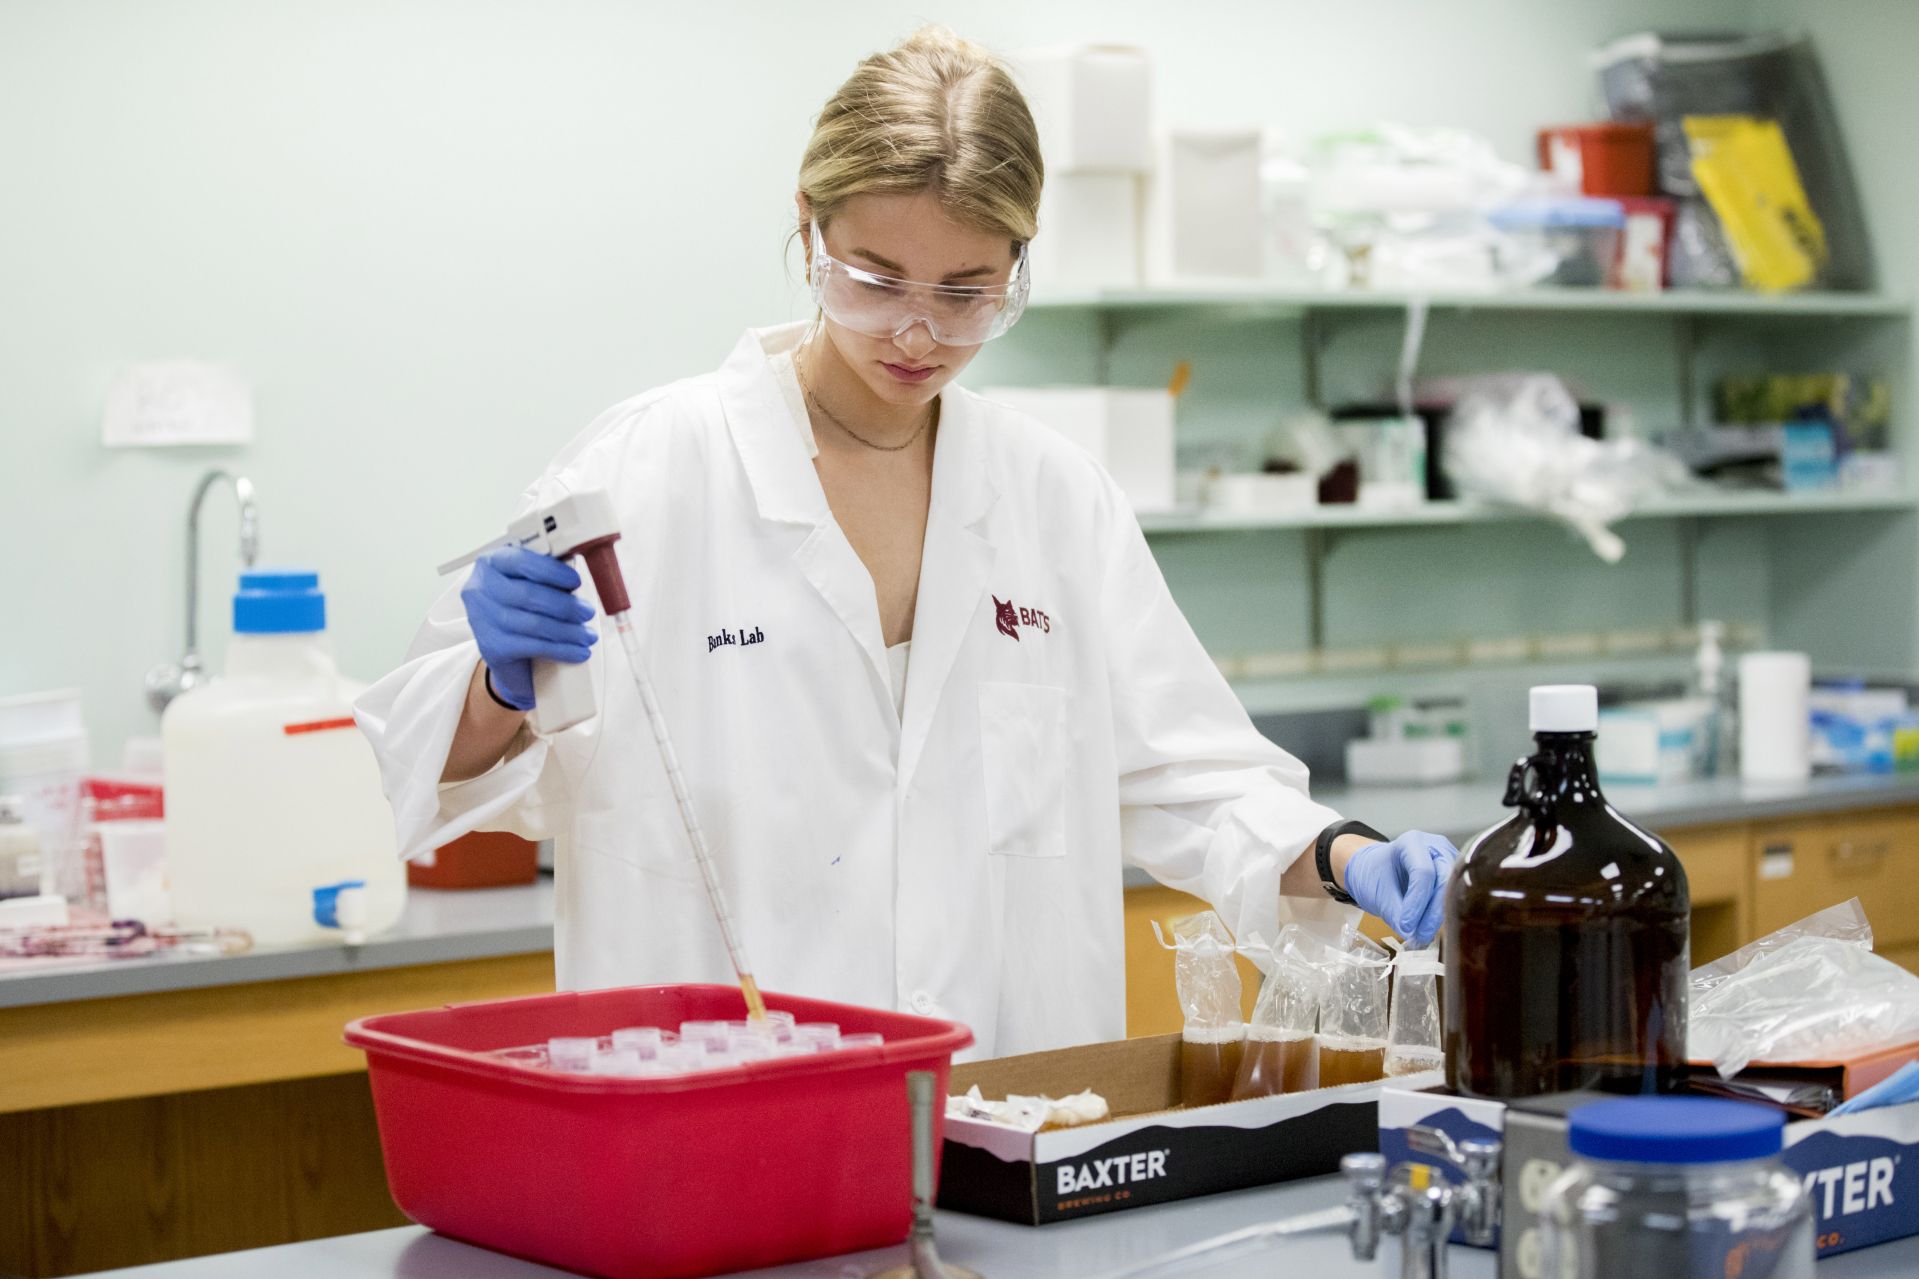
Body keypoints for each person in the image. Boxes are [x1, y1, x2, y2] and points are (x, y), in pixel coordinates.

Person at [355, 28, 1458, 1059]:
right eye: (874, 280)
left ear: (1016, 266)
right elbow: (397, 775)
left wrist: (1346, 856)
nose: (919, 333)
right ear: (807, 227)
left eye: (967, 293)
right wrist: (495, 683)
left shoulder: (1052, 499)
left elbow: (1184, 769)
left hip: (1005, 1101)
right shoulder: (646, 472)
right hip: (717, 1110)